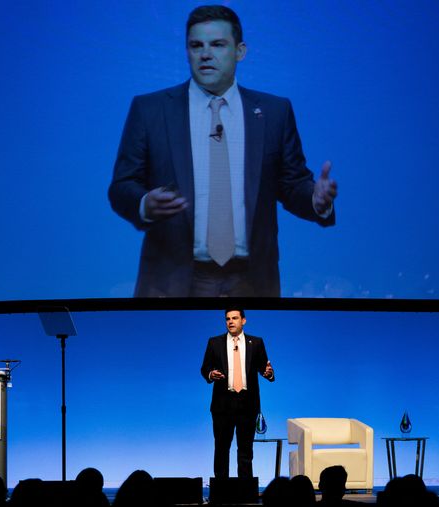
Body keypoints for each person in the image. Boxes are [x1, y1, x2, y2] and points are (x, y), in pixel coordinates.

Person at [109, 5, 337, 297]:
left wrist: (316, 201)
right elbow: (121, 187)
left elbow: (292, 185)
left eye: (217, 45)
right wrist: (144, 204)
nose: (205, 54)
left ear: (240, 51)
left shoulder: (274, 112)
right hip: (171, 281)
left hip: (252, 280)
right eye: (196, 46)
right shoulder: (150, 110)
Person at [201, 308, 275, 478]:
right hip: (222, 406)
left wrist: (269, 373)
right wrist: (211, 374)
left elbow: (265, 368)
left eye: (235, 318)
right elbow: (205, 368)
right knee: (221, 449)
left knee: (246, 451)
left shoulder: (256, 342)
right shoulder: (214, 342)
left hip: (247, 405)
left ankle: (245, 493)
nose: (231, 322)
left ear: (243, 320)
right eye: (227, 319)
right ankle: (221, 493)